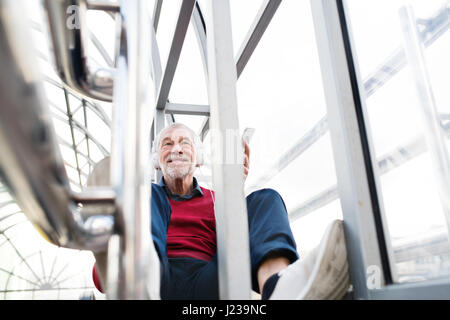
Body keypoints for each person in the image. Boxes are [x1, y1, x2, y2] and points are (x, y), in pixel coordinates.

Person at [90, 123, 350, 299]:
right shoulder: (147, 199)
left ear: (198, 159)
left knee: (264, 199)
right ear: (157, 161)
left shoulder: (217, 200)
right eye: (167, 144)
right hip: (156, 276)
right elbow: (99, 280)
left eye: (185, 143)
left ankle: (279, 288)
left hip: (210, 278)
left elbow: (238, 243)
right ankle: (131, 274)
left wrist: (235, 189)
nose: (176, 148)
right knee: (143, 193)